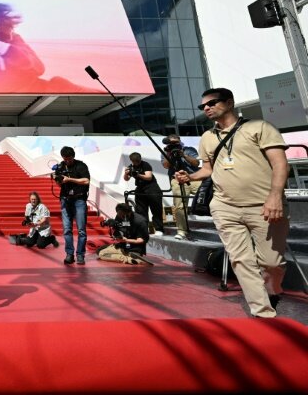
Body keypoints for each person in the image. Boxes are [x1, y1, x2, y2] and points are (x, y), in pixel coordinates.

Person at [175, 88, 289, 318]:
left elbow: (280, 164)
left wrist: (275, 195)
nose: (206, 108)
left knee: (272, 263)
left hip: (264, 205)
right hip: (224, 206)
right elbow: (207, 169)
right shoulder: (207, 137)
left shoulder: (259, 128)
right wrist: (190, 176)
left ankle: (272, 291)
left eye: (211, 103)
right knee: (240, 259)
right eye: (202, 106)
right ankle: (262, 311)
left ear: (229, 102)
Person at [53, 146, 90, 265]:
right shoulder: (61, 166)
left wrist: (70, 179)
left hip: (79, 199)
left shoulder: (81, 165)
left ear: (73, 156)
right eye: (65, 159)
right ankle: (69, 254)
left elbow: (86, 181)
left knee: (81, 230)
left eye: (69, 159)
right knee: (67, 229)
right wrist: (57, 180)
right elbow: (60, 184)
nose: (67, 161)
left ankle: (80, 255)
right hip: (65, 199)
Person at [161, 134, 201, 240]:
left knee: (211, 194)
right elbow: (165, 165)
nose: (174, 145)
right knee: (179, 205)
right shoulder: (166, 151)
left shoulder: (188, 149)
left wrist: (183, 155)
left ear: (180, 141)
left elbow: (196, 163)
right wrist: (170, 154)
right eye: (171, 143)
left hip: (193, 178)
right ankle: (182, 230)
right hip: (177, 179)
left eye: (176, 143)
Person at [124, 152, 165, 236]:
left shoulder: (145, 164)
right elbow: (126, 179)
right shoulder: (130, 167)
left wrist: (138, 174)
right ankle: (143, 230)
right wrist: (126, 173)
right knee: (141, 211)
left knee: (156, 209)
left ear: (140, 159)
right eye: (134, 161)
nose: (136, 163)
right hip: (140, 189)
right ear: (131, 160)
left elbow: (149, 177)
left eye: (138, 161)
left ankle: (159, 229)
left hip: (152, 188)